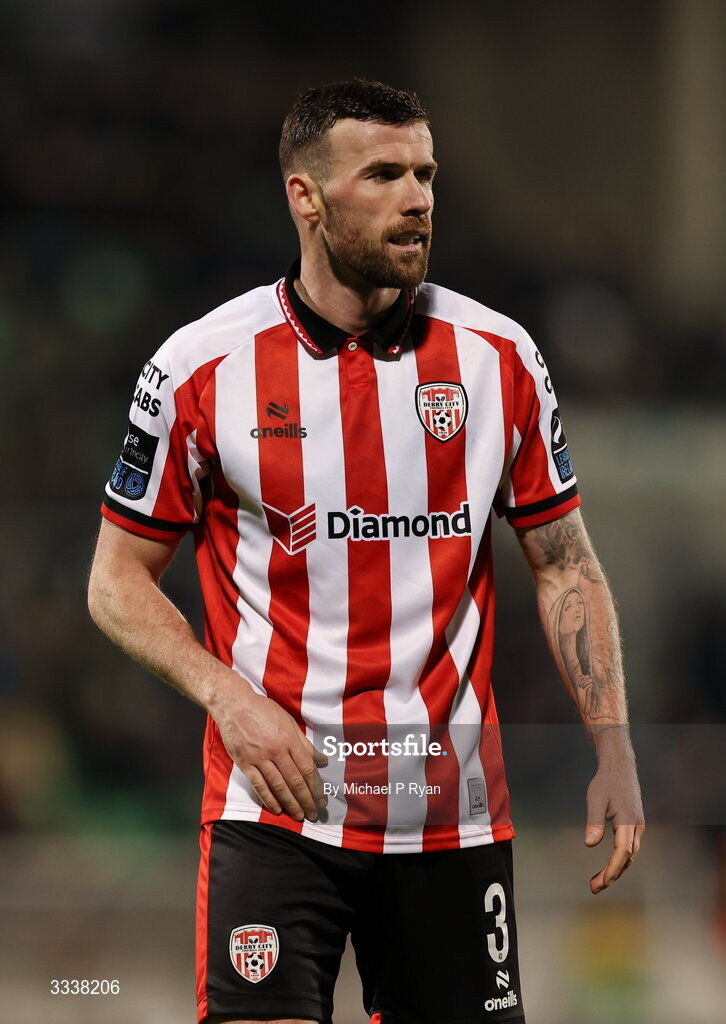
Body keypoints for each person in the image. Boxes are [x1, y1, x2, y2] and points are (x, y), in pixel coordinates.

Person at [88, 79, 644, 1024]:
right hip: (275, 815)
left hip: (450, 817)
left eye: (425, 172)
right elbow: (114, 581)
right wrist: (230, 699)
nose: (417, 196)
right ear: (305, 197)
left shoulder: (498, 357)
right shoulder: (201, 368)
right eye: (383, 173)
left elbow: (565, 562)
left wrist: (615, 742)